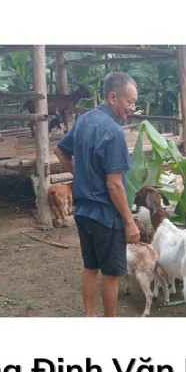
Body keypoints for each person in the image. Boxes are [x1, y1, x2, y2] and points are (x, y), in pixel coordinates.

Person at [53, 72, 140, 317]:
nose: (132, 107)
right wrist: (130, 221)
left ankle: (90, 317)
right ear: (113, 97)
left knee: (90, 267)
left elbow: (60, 151)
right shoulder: (113, 133)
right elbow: (114, 185)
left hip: (83, 212)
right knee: (111, 274)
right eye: (129, 101)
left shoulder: (84, 120)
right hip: (105, 215)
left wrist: (81, 176)